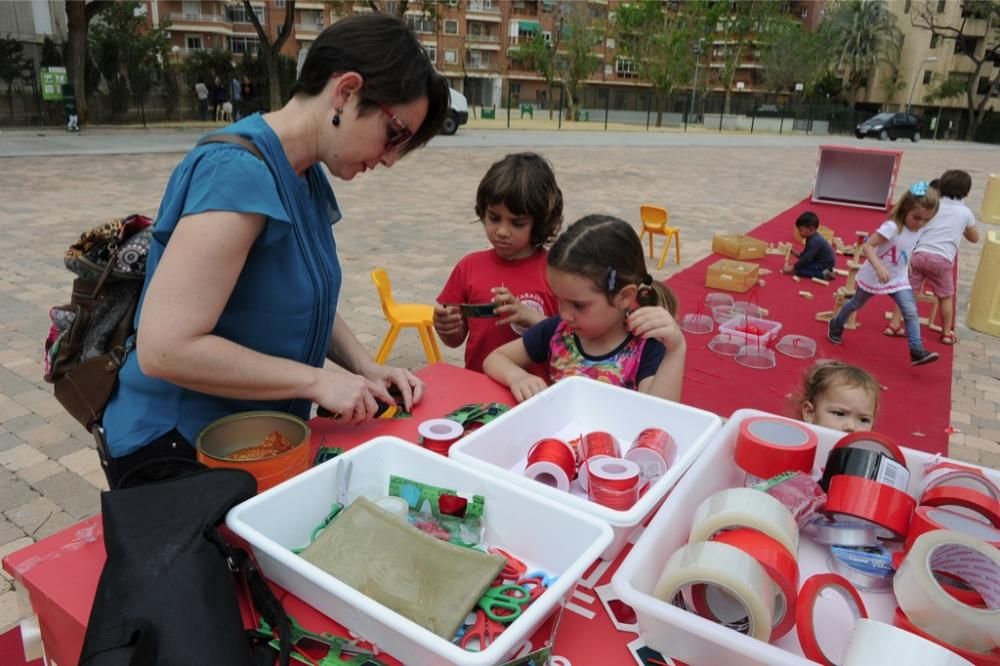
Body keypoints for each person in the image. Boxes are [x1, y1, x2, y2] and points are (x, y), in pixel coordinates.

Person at [99, 14, 449, 488]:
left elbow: (304, 300)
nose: (390, 158)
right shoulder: (235, 172)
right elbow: (165, 349)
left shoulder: (305, 174)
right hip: (181, 449)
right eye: (396, 133)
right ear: (346, 92)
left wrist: (367, 368)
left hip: (257, 440)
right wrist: (316, 381)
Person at [483, 215, 686, 403]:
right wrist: (518, 377)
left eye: (578, 305)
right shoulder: (557, 331)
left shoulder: (646, 345)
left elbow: (659, 413)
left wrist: (676, 350)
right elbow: (495, 359)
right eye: (559, 299)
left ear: (624, 296)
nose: (564, 314)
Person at [433, 152, 562, 375]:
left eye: (517, 223)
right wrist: (447, 328)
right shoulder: (468, 267)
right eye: (494, 218)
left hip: (535, 394)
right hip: (479, 394)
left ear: (540, 221)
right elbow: (455, 340)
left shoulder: (558, 272)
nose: (502, 231)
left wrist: (531, 317)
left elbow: (574, 340)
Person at [827, 181, 940, 366]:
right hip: (875, 275)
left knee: (910, 311)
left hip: (898, 278)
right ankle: (836, 323)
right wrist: (879, 267)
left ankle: (916, 350)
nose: (920, 223)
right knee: (856, 303)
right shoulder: (893, 227)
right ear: (905, 209)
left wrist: (908, 262)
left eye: (926, 220)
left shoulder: (919, 228)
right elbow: (868, 246)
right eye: (916, 218)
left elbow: (908, 246)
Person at [887, 169, 979, 345]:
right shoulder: (965, 212)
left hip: (919, 255)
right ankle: (946, 333)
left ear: (940, 187)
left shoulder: (934, 206)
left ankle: (894, 324)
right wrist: (963, 230)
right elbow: (974, 238)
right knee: (945, 296)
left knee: (907, 292)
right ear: (967, 192)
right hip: (942, 261)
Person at [798, 360, 880, 433]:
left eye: (864, 420)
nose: (851, 427)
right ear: (809, 413)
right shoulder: (794, 447)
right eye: (839, 414)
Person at [782, 211, 835, 280]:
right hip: (818, 261)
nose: (799, 233)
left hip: (823, 265)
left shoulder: (815, 241)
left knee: (801, 270)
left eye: (800, 230)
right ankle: (825, 272)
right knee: (802, 265)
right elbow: (806, 255)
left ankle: (824, 275)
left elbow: (806, 258)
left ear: (810, 229)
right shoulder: (810, 238)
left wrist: (793, 267)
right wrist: (795, 253)